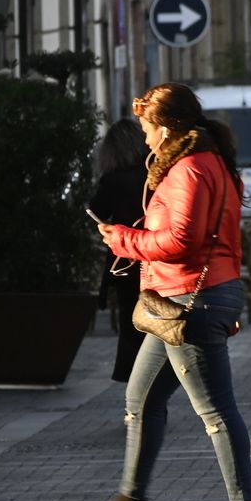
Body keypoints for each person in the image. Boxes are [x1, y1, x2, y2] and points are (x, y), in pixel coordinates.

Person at [74, 83, 251, 501]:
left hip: (189, 301)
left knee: (215, 410)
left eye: (146, 127)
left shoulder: (189, 169)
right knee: (141, 399)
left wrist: (122, 240)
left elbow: (182, 241)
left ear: (165, 126)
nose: (144, 137)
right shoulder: (214, 163)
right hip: (189, 300)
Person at [90, 119, 150, 383]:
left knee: (130, 323)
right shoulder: (154, 174)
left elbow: (97, 210)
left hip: (125, 258)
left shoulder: (113, 180)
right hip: (155, 256)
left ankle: (133, 380)